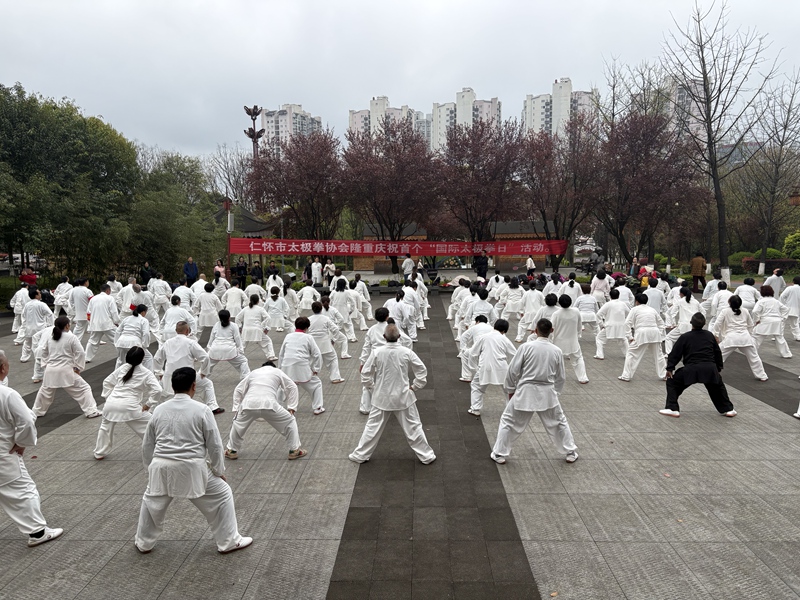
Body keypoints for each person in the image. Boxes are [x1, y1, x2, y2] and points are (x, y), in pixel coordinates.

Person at [134, 367, 251, 554]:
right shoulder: (202, 410)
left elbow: (147, 443)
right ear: (194, 386)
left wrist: (150, 468)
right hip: (191, 467)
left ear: (172, 386)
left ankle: (143, 542)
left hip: (161, 466)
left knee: (151, 502)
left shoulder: (159, 410)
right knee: (223, 494)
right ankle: (229, 541)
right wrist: (218, 471)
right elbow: (215, 445)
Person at [490, 318, 578, 465]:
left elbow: (513, 371)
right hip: (548, 392)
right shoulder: (556, 351)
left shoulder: (526, 347)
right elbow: (560, 376)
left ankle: (499, 453)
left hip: (525, 390)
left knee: (508, 421)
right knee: (559, 422)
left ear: (535, 331)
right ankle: (570, 451)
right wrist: (556, 392)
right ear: (551, 331)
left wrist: (511, 390)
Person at [0, 350, 63, 547]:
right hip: (3, 455)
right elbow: (26, 421)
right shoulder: (7, 395)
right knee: (23, 490)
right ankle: (38, 532)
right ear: (3, 368)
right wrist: (22, 443)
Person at [350, 325, 435, 465]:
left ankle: (360, 455)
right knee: (413, 427)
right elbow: (422, 371)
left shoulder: (377, 352)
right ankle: (426, 456)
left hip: (381, 398)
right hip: (403, 397)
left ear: (384, 337)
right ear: (399, 337)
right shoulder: (407, 352)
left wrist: (372, 387)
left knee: (372, 428)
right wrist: (414, 387)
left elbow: (365, 373)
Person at [660, 313, 736, 418]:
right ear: (704, 324)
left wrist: (670, 369)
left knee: (673, 382)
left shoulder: (685, 337)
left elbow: (675, 354)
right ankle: (728, 409)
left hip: (692, 368)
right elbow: (717, 352)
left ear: (691, 323)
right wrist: (718, 368)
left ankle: (672, 408)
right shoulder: (709, 335)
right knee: (718, 387)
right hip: (710, 368)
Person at [226, 362, 307, 461]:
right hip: (269, 404)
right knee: (290, 421)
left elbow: (238, 389)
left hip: (248, 404)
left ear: (262, 367)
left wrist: (236, 408)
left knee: (237, 425)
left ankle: (231, 451)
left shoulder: (253, 373)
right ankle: (294, 451)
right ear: (273, 367)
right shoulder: (277, 371)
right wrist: (292, 408)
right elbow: (292, 386)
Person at [94, 347, 162, 460]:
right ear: (142, 359)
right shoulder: (146, 373)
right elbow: (158, 390)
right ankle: (160, 449)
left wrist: (109, 397)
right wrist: (149, 404)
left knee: (105, 428)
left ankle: (99, 452)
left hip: (110, 405)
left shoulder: (123, 368)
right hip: (130, 407)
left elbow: (107, 382)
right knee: (150, 427)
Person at [32, 316, 102, 418]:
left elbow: (44, 353)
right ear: (67, 326)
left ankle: (36, 412)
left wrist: (45, 366)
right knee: (84, 389)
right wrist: (78, 367)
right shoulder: (71, 337)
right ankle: (91, 411)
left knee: (45, 393)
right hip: (66, 370)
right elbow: (81, 353)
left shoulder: (50, 338)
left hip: (50, 370)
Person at [154, 321, 222, 414]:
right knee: (207, 384)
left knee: (161, 389)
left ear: (176, 331)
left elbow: (157, 358)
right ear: (187, 331)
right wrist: (203, 372)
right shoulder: (191, 343)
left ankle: (155, 410)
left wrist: (159, 372)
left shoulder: (167, 343)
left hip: (170, 375)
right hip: (187, 375)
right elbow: (205, 357)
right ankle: (212, 406)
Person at [711, 295, 768, 381]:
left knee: (718, 355)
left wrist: (715, 335)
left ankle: (712, 373)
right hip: (745, 338)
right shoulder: (745, 311)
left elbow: (717, 324)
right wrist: (750, 334)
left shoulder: (725, 311)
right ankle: (762, 376)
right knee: (754, 357)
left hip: (731, 338)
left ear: (729, 302)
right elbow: (750, 324)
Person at [467, 319, 517, 416]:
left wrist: (474, 367)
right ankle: (510, 410)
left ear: (495, 326)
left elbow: (473, 353)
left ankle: (475, 409)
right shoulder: (505, 339)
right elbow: (515, 354)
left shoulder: (484, 337)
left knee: (477, 386)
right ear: (505, 330)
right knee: (508, 389)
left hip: (485, 366)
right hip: (502, 366)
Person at [279, 317, 325, 415]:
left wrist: (280, 368)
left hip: (287, 367)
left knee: (283, 387)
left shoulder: (288, 336)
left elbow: (281, 354)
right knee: (316, 384)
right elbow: (317, 354)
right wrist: (316, 369)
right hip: (302, 367)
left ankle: (277, 406)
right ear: (307, 327)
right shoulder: (308, 337)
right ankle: (318, 407)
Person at [619, 294, 667, 382]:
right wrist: (659, 333)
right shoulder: (652, 309)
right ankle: (664, 374)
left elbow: (627, 323)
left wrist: (629, 336)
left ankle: (626, 375)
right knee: (659, 355)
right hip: (654, 332)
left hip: (642, 333)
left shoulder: (634, 309)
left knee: (631, 353)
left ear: (636, 301)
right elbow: (661, 323)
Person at [550, 295, 588, 384]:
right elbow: (579, 325)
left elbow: (551, 328)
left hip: (558, 341)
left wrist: (550, 339)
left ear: (559, 303)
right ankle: (583, 378)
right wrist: (578, 335)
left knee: (554, 361)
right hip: (573, 341)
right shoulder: (576, 311)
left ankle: (552, 377)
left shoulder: (556, 313)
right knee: (578, 359)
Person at [308, 301, 345, 385]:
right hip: (325, 343)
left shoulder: (309, 319)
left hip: (312, 343)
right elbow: (335, 329)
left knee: (311, 361)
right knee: (333, 359)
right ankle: (335, 377)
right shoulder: (325, 318)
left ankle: (308, 377)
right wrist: (334, 339)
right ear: (321, 309)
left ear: (312, 309)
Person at [206, 310, 250, 380]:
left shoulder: (216, 325)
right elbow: (238, 339)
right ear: (229, 317)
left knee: (206, 366)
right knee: (243, 361)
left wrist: (209, 349)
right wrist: (241, 351)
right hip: (229, 350)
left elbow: (211, 339)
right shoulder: (234, 325)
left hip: (215, 349)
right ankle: (246, 378)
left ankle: (199, 379)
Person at [752, 285, 792, 358]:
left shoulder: (761, 301)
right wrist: (783, 318)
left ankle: (752, 352)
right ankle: (786, 354)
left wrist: (757, 320)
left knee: (757, 337)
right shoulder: (776, 301)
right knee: (780, 338)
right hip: (777, 321)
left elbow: (755, 311)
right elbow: (786, 309)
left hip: (765, 320)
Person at [85, 284, 121, 363]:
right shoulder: (110, 298)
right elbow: (114, 312)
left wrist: (90, 323)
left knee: (92, 342)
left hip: (95, 324)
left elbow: (88, 313)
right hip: (107, 324)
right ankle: (123, 356)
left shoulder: (93, 299)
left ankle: (86, 358)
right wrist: (117, 322)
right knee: (117, 339)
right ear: (108, 290)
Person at [236, 295, 277, 360]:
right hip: (257, 330)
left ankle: (238, 356)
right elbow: (268, 318)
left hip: (246, 329)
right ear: (258, 301)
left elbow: (237, 318)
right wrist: (266, 327)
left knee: (243, 345)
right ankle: (270, 356)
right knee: (268, 341)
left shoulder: (245, 309)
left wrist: (240, 327)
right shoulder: (260, 309)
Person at [20, 288, 55, 363]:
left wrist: (24, 324)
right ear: (36, 295)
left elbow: (23, 315)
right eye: (39, 293)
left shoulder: (27, 305)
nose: (40, 294)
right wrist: (50, 325)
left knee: (27, 343)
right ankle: (38, 357)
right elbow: (50, 314)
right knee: (39, 343)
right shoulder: (41, 304)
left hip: (29, 327)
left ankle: (24, 357)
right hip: (39, 327)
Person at [594, 288, 630, 360]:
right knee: (623, 340)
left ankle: (600, 355)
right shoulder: (623, 304)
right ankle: (628, 355)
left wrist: (601, 325)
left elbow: (598, 314)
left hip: (609, 325)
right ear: (619, 296)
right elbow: (629, 313)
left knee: (599, 338)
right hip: (621, 325)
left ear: (610, 296)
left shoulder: (608, 304)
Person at [665, 287, 702, 354]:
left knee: (668, 338)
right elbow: (703, 312)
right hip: (694, 325)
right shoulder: (696, 301)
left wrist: (674, 324)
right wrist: (701, 323)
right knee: (693, 340)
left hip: (683, 325)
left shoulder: (680, 301)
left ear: (681, 294)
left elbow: (672, 313)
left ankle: (669, 353)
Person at [458, 315, 493, 382]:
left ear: (477, 321)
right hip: (490, 349)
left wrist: (463, 348)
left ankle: (467, 376)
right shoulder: (492, 328)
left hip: (477, 348)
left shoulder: (475, 327)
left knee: (465, 355)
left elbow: (463, 336)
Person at [780, 276, 800, 342]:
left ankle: (779, 336)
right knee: (795, 323)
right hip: (796, 309)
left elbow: (782, 296)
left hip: (787, 308)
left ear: (793, 281)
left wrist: (782, 305)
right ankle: (798, 336)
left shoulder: (790, 288)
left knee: (782, 323)